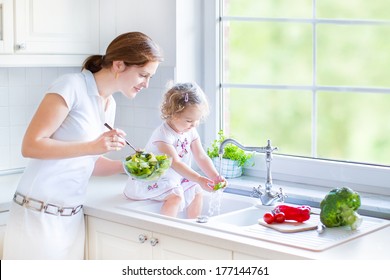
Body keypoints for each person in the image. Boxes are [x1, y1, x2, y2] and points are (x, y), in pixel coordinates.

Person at [3, 31, 163, 260]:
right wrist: (92, 146)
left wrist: (130, 167)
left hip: (72, 219)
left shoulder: (110, 104)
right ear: (119, 65)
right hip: (37, 216)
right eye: (143, 75)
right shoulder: (71, 86)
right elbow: (30, 145)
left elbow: (90, 162)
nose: (146, 84)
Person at [123, 82, 227, 218]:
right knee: (176, 197)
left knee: (196, 190)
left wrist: (214, 176)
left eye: (197, 120)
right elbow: (176, 163)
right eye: (189, 120)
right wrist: (199, 178)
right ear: (172, 114)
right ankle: (167, 231)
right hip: (155, 180)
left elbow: (201, 156)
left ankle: (192, 229)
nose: (194, 124)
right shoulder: (163, 136)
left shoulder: (191, 131)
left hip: (175, 178)